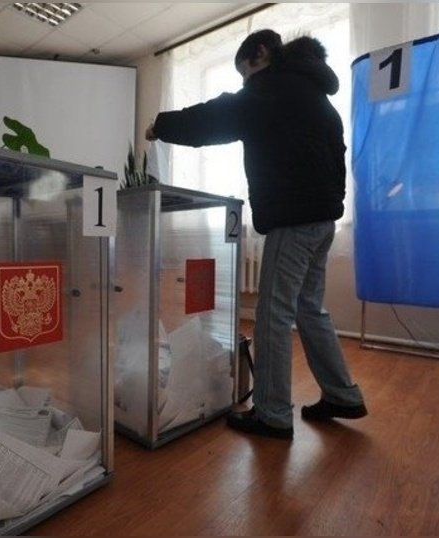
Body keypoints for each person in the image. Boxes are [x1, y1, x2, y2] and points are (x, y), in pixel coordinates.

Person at [145, 29, 366, 440]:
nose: (245, 81)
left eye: (243, 71)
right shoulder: (316, 96)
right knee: (309, 308)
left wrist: (161, 125)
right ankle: (342, 394)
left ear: (260, 54)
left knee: (272, 315)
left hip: (294, 219)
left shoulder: (272, 88)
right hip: (322, 221)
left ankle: (272, 413)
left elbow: (216, 117)